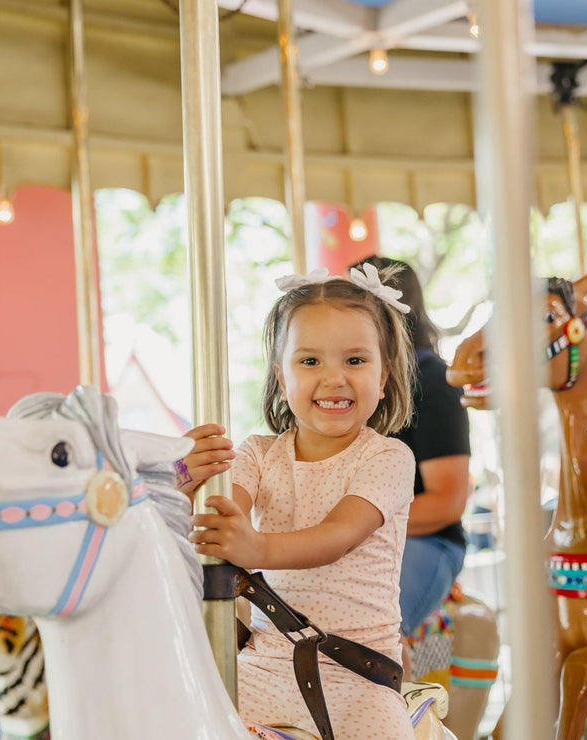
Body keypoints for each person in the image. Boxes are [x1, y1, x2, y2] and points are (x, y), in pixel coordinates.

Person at [178, 265, 417, 740]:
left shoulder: (387, 457)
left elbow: (337, 536)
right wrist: (185, 477)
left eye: (355, 360)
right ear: (281, 378)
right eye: (310, 362)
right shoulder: (257, 455)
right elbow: (217, 518)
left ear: (385, 374)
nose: (333, 379)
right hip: (262, 667)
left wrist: (257, 549)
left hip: (355, 675)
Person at [352, 256, 471, 642]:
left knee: (363, 626)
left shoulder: (433, 383)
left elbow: (448, 501)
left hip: (424, 538)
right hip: (358, 535)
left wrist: (349, 524)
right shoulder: (348, 387)